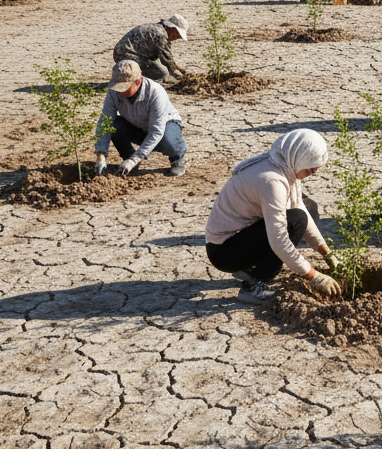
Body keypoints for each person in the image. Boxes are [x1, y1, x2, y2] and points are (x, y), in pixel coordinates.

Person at [204, 129, 339, 300]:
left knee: (308, 209)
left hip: (238, 238)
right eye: (311, 169)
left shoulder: (285, 163)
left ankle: (253, 266)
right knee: (296, 221)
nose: (315, 173)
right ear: (300, 158)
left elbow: (298, 205)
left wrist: (326, 252)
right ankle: (253, 285)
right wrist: (313, 276)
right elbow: (279, 240)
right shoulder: (271, 181)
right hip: (224, 251)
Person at [94, 59, 186, 178]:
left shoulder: (155, 92)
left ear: (138, 81)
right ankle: (128, 157)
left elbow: (156, 131)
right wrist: (101, 155)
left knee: (167, 137)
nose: (120, 92)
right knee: (114, 125)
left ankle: (176, 159)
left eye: (124, 88)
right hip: (137, 126)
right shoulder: (114, 92)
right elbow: (105, 122)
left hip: (165, 128)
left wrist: (135, 159)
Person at [113, 14, 189, 86]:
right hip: (124, 56)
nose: (178, 38)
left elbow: (166, 59)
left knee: (157, 65)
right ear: (173, 29)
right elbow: (168, 62)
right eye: (178, 35)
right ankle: (145, 85)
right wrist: (182, 79)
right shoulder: (161, 36)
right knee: (162, 72)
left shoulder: (158, 28)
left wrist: (180, 69)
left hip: (122, 52)